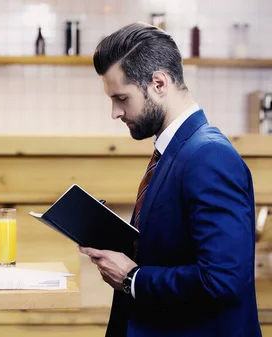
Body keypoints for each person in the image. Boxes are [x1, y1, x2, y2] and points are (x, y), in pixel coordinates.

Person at [79, 23, 261, 337]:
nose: (115, 112)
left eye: (122, 98)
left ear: (159, 83)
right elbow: (175, 246)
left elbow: (222, 279)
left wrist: (132, 279)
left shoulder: (209, 156)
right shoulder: (174, 150)